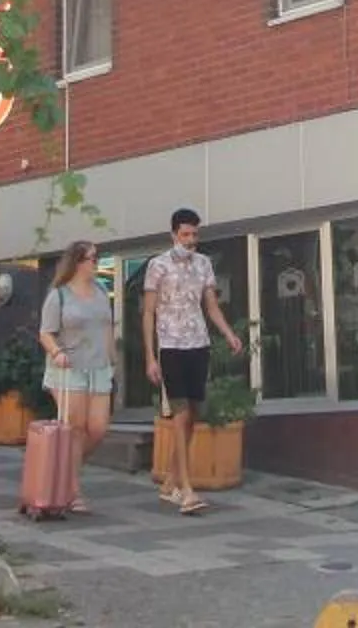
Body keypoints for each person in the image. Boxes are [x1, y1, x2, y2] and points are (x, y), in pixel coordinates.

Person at [139, 208, 243, 516]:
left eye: (195, 234)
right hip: (170, 346)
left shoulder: (203, 264)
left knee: (194, 414)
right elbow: (148, 312)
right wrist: (149, 356)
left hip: (199, 344)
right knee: (180, 415)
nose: (191, 240)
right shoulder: (157, 266)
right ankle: (186, 489)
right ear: (173, 235)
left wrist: (228, 334)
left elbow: (210, 304)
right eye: (185, 234)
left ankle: (171, 481)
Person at [38, 241, 113, 515]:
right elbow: (45, 332)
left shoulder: (102, 291)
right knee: (76, 427)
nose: (96, 263)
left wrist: (112, 358)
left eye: (97, 258)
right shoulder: (58, 296)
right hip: (68, 368)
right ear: (77, 262)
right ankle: (72, 488)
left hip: (99, 367)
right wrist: (57, 352)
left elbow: (106, 327)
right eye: (92, 259)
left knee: (98, 428)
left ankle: (62, 470)